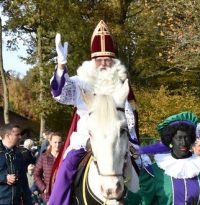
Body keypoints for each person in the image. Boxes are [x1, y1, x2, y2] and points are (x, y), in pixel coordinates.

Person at [48, 20, 141, 205]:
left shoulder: (120, 85)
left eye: (108, 59)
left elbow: (130, 115)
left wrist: (132, 140)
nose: (104, 63)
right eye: (99, 59)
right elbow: (60, 94)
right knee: (66, 168)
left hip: (117, 136)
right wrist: (61, 66)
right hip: (86, 136)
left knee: (144, 168)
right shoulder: (81, 82)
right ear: (93, 60)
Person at [138, 111, 200, 205]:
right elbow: (142, 202)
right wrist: (124, 193)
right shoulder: (154, 171)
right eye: (179, 138)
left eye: (187, 138)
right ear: (170, 140)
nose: (183, 142)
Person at [0, 124, 32, 205]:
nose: (20, 137)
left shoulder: (18, 154)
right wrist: (4, 178)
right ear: (8, 136)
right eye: (17, 134)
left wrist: (28, 201)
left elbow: (24, 181)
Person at [34, 132, 62, 204]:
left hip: (62, 194)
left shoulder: (64, 157)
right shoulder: (44, 157)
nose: (57, 145)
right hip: (48, 196)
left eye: (59, 142)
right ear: (50, 142)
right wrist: (43, 188)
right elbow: (36, 174)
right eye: (55, 142)